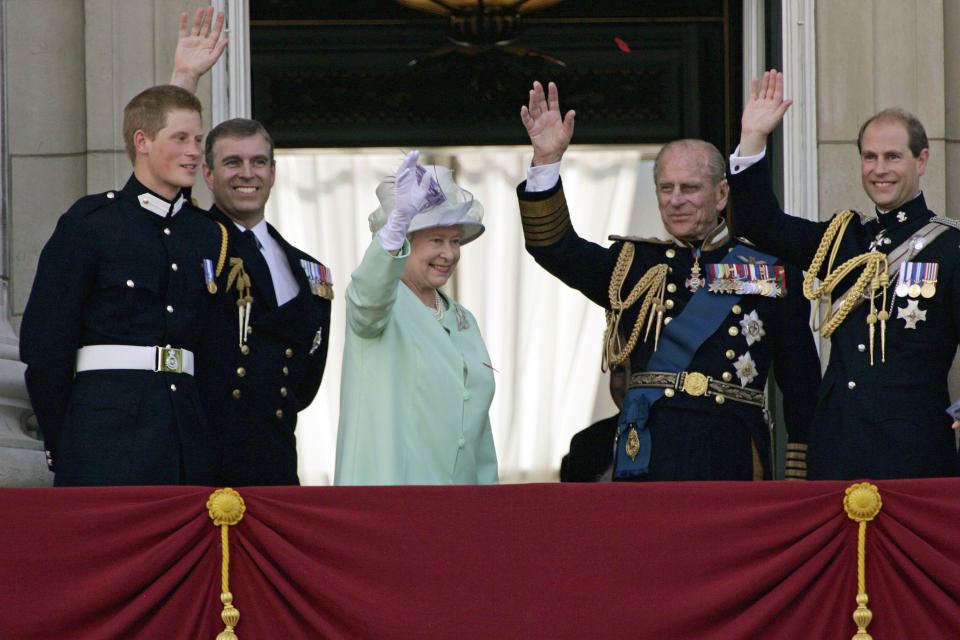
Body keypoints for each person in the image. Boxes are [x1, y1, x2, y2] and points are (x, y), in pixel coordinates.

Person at [516, 81, 820, 481]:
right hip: (653, 453)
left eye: (690, 188)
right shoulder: (632, 265)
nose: (675, 199)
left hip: (732, 453)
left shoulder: (771, 271)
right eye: (666, 188)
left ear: (722, 194)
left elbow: (802, 387)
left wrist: (801, 475)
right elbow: (554, 247)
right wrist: (546, 162)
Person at [728, 69, 960, 480]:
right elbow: (760, 224)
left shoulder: (950, 247)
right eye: (869, 157)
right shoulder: (843, 239)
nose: (879, 169)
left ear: (921, 160)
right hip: (837, 448)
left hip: (914, 452)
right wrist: (753, 140)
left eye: (893, 157)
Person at [19, 84, 229, 486]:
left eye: (198, 140)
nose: (193, 152)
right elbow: (47, 344)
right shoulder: (93, 222)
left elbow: (214, 355)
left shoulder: (207, 236)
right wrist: (65, 441)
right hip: (105, 437)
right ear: (142, 141)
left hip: (186, 439)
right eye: (180, 138)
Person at [170, 9, 332, 485]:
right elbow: (161, 184)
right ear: (207, 173)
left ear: (274, 172)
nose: (247, 173)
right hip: (205, 459)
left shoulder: (309, 269)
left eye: (259, 162)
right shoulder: (195, 236)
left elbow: (302, 383)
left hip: (277, 459)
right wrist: (184, 78)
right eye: (233, 162)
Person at [335, 151, 498, 485]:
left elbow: (478, 430)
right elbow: (367, 296)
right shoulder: (379, 305)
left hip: (457, 513)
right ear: (403, 245)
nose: (449, 254)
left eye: (455, 241)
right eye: (435, 240)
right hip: (389, 504)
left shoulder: (463, 318)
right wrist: (394, 230)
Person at [560, 359, 629, 482]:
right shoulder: (584, 444)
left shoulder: (672, 440)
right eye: (619, 371)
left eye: (638, 372)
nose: (627, 386)